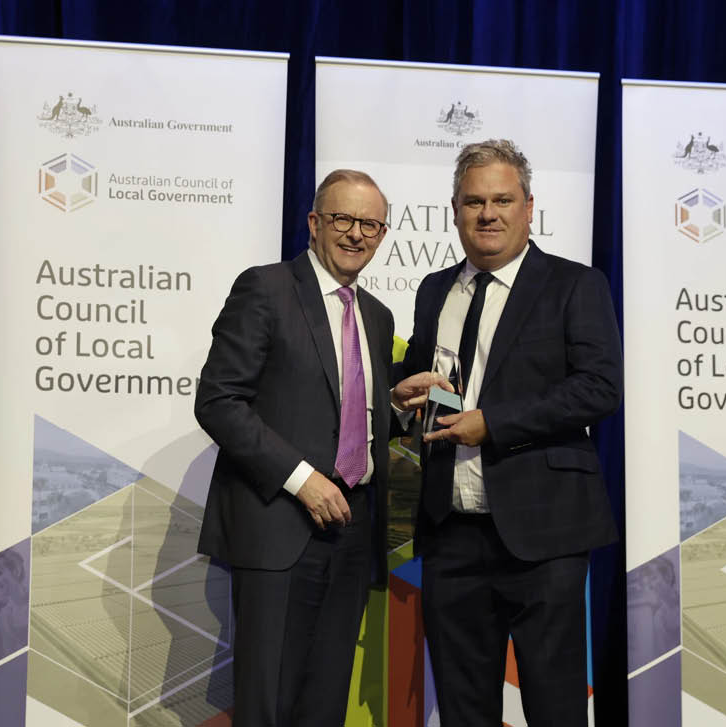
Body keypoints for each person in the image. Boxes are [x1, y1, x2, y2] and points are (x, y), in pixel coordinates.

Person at [395, 139, 623, 726]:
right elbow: (435, 387)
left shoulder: (575, 284)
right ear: (454, 210)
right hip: (452, 534)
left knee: (555, 706)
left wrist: (491, 423)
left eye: (502, 200)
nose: (487, 213)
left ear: (528, 207)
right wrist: (403, 399)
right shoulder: (433, 290)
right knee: (464, 709)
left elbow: (599, 389)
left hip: (544, 534)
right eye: (473, 201)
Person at [194, 169, 400, 726]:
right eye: (343, 219)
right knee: (269, 705)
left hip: (353, 533)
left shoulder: (377, 318)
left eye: (371, 224)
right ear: (314, 223)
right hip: (280, 529)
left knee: (325, 706)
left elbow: (348, 411)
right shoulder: (265, 288)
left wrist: (399, 405)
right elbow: (218, 400)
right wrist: (300, 478)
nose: (356, 234)